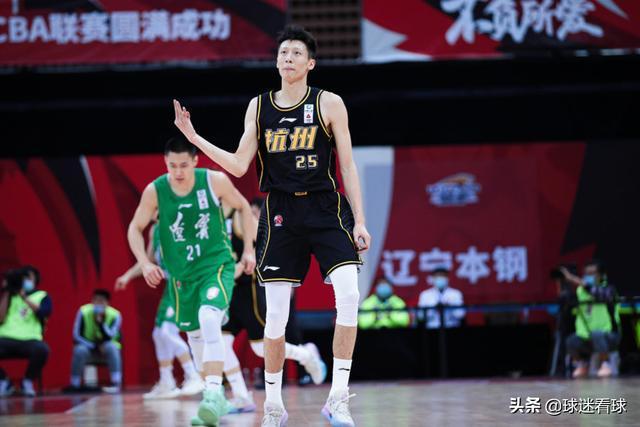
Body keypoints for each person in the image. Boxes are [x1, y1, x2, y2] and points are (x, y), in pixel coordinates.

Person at [173, 24, 371, 427]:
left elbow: (348, 166)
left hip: (325, 207)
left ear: (310, 63)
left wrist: (361, 221)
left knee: (349, 295)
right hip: (280, 211)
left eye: (296, 53)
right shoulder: (259, 106)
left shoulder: (329, 103)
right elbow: (238, 164)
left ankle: (338, 399)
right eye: (283, 53)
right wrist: (194, 137)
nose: (288, 58)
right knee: (275, 317)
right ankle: (274, 406)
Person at [127, 136, 256, 426]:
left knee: (209, 317)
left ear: (195, 162)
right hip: (182, 277)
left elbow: (244, 207)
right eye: (172, 166)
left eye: (184, 165)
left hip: (215, 266)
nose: (178, 172)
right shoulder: (155, 191)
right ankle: (215, 397)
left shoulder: (213, 181)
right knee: (195, 338)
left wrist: (248, 249)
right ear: (165, 163)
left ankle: (213, 393)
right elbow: (135, 227)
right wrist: (145, 263)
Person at [221, 197, 326, 413]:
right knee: (221, 344)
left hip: (250, 292)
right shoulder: (210, 219)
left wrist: (243, 265)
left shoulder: (241, 216)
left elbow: (260, 248)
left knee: (262, 348)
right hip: (229, 292)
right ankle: (241, 396)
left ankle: (306, 354)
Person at [115, 216, 203, 399]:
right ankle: (166, 381)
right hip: (170, 287)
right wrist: (127, 276)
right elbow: (147, 261)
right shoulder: (154, 230)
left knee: (167, 332)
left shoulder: (180, 222)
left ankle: (194, 375)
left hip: (184, 284)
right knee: (158, 334)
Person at [562, 260, 620, 378]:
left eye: (592, 273)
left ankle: (606, 364)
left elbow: (595, 292)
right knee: (571, 341)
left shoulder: (608, 289)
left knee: (596, 334)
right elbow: (566, 301)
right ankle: (582, 364)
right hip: (587, 336)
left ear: (601, 275)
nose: (589, 276)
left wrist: (572, 278)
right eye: (587, 273)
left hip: (610, 335)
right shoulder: (580, 291)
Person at [0, 266, 51, 397]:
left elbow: (44, 313)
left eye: (28, 277)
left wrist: (24, 297)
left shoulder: (42, 296)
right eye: (23, 278)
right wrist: (7, 292)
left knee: (42, 349)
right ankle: (4, 381)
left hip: (30, 340)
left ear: (35, 280)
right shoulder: (10, 296)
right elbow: (0, 318)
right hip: (5, 338)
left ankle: (27, 382)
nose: (25, 280)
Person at [68, 289, 122, 393]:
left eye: (101, 301)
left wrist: (101, 324)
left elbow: (111, 336)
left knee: (112, 347)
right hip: (88, 347)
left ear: (107, 303)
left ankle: (116, 383)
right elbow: (76, 335)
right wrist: (93, 345)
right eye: (96, 300)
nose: (98, 304)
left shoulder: (115, 315)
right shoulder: (83, 311)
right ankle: (75, 384)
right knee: (79, 350)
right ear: (92, 301)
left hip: (105, 349)